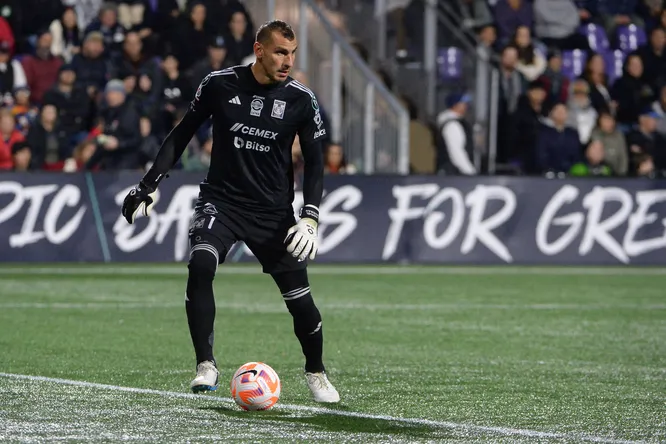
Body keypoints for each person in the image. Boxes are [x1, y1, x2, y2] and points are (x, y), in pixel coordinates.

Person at [120, 20, 339, 403]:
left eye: (292, 54)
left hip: (273, 213)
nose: (287, 61)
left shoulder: (301, 99)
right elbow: (182, 133)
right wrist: (149, 184)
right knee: (201, 264)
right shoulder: (219, 84)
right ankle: (206, 364)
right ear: (259, 50)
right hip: (221, 202)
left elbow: (316, 162)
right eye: (280, 52)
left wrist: (310, 216)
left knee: (300, 300)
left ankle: (316, 371)